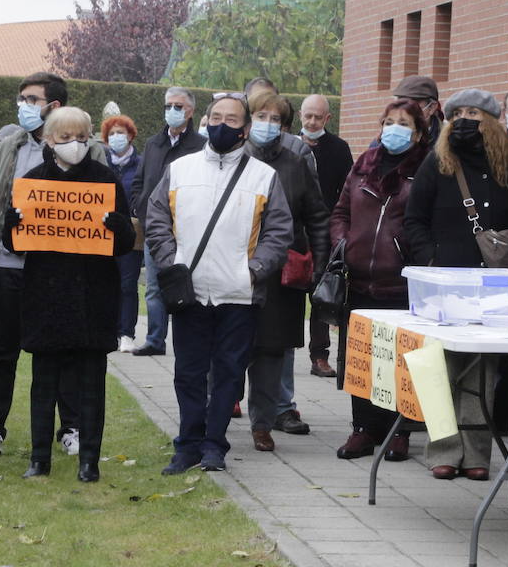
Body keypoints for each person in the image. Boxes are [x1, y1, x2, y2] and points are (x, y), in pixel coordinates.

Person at [143, 94, 294, 474]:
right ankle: (187, 445)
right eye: (216, 117)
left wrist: (254, 270)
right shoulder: (180, 169)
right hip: (190, 291)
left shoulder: (264, 176)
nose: (222, 124)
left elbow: (279, 232)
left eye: (231, 119)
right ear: (205, 121)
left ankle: (214, 446)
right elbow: (156, 217)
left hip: (239, 295)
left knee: (228, 374)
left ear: (244, 129)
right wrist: (171, 262)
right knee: (188, 374)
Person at [404, 88, 508, 481]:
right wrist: (431, 261)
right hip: (444, 283)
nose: (463, 119)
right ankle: (443, 449)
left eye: (473, 112)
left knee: (482, 371)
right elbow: (414, 220)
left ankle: (477, 453)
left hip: (493, 285)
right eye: (457, 112)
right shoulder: (436, 162)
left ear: (492, 120)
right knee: (442, 367)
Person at [0, 107, 135, 481]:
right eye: (64, 137)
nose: (73, 144)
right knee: (43, 380)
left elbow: (124, 244)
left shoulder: (105, 180)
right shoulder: (33, 180)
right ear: (48, 140)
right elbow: (14, 244)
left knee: (92, 382)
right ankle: (39, 459)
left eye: (80, 136)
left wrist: (118, 225)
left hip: (93, 296)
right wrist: (10, 226)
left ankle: (88, 460)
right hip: (46, 296)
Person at [0, 72, 99, 458]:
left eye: (31, 99)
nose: (23, 105)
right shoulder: (8, 147)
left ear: (53, 106)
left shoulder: (89, 151)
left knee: (64, 352)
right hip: (11, 267)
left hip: (60, 272)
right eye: (22, 98)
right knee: (3, 354)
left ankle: (71, 427)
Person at [333, 99, 431, 460]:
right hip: (359, 280)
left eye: (403, 123)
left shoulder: (428, 169)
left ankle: (400, 430)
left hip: (402, 284)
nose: (393, 129)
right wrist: (344, 243)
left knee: (401, 361)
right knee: (362, 359)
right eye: (388, 122)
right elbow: (341, 210)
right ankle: (363, 429)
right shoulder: (364, 164)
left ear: (419, 132)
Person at [243, 92, 330, 452]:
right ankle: (215, 415)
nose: (267, 124)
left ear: (285, 126)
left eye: (275, 119)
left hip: (281, 271)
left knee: (271, 351)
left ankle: (264, 421)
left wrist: (320, 263)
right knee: (228, 348)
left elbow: (317, 216)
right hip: (234, 267)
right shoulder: (233, 159)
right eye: (260, 116)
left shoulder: (295, 165)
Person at [130, 87, 207, 357]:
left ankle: (190, 340)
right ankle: (154, 339)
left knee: (189, 286)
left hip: (188, 230)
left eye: (178, 106)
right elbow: (139, 182)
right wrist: (142, 209)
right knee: (153, 288)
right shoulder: (153, 144)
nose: (172, 111)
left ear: (191, 111)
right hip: (155, 229)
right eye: (168, 105)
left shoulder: (200, 146)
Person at [300, 94, 354, 378]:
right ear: (300, 115)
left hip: (325, 233)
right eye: (307, 115)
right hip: (294, 233)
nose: (311, 121)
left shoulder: (339, 149)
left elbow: (348, 193)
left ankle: (320, 355)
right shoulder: (288, 145)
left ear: (327, 119)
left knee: (322, 296)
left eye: (317, 117)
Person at [101, 113, 142, 353]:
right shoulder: (101, 162)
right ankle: (109, 329)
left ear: (130, 135)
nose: (117, 137)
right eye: (112, 133)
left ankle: (126, 332)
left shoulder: (141, 162)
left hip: (131, 230)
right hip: (103, 230)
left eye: (121, 132)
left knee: (128, 284)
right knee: (106, 282)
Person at [394, 76, 444, 144]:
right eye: (402, 102)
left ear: (432, 107)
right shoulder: (387, 137)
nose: (407, 108)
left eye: (414, 103)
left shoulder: (447, 140)